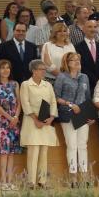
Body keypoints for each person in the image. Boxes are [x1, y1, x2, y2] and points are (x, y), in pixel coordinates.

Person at [53, 52, 93, 185]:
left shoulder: (84, 77)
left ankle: (84, 176)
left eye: (78, 59)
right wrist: (70, 104)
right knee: (72, 145)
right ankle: (73, 177)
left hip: (82, 114)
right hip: (68, 113)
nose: (77, 62)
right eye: (73, 60)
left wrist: (90, 115)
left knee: (83, 145)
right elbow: (56, 97)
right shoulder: (61, 77)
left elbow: (88, 97)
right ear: (67, 62)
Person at [20, 60, 58, 188]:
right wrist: (36, 119)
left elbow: (53, 102)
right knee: (33, 152)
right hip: (32, 122)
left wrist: (51, 117)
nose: (43, 71)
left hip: (46, 123)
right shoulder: (26, 84)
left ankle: (43, 181)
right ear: (33, 71)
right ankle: (31, 182)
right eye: (41, 69)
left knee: (44, 153)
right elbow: (25, 103)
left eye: (44, 69)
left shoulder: (48, 85)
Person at [0, 59, 22, 190]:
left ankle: (10, 180)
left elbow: (19, 103)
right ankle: (3, 181)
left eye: (8, 68)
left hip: (14, 121)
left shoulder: (15, 84)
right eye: (3, 68)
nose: (5, 70)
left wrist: (16, 117)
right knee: (3, 152)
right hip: (1, 122)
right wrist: (9, 117)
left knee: (11, 152)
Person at [75, 19, 99, 87]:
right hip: (86, 83)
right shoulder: (77, 47)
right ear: (83, 29)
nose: (93, 29)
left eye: (95, 27)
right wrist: (95, 80)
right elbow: (81, 66)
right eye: (90, 27)